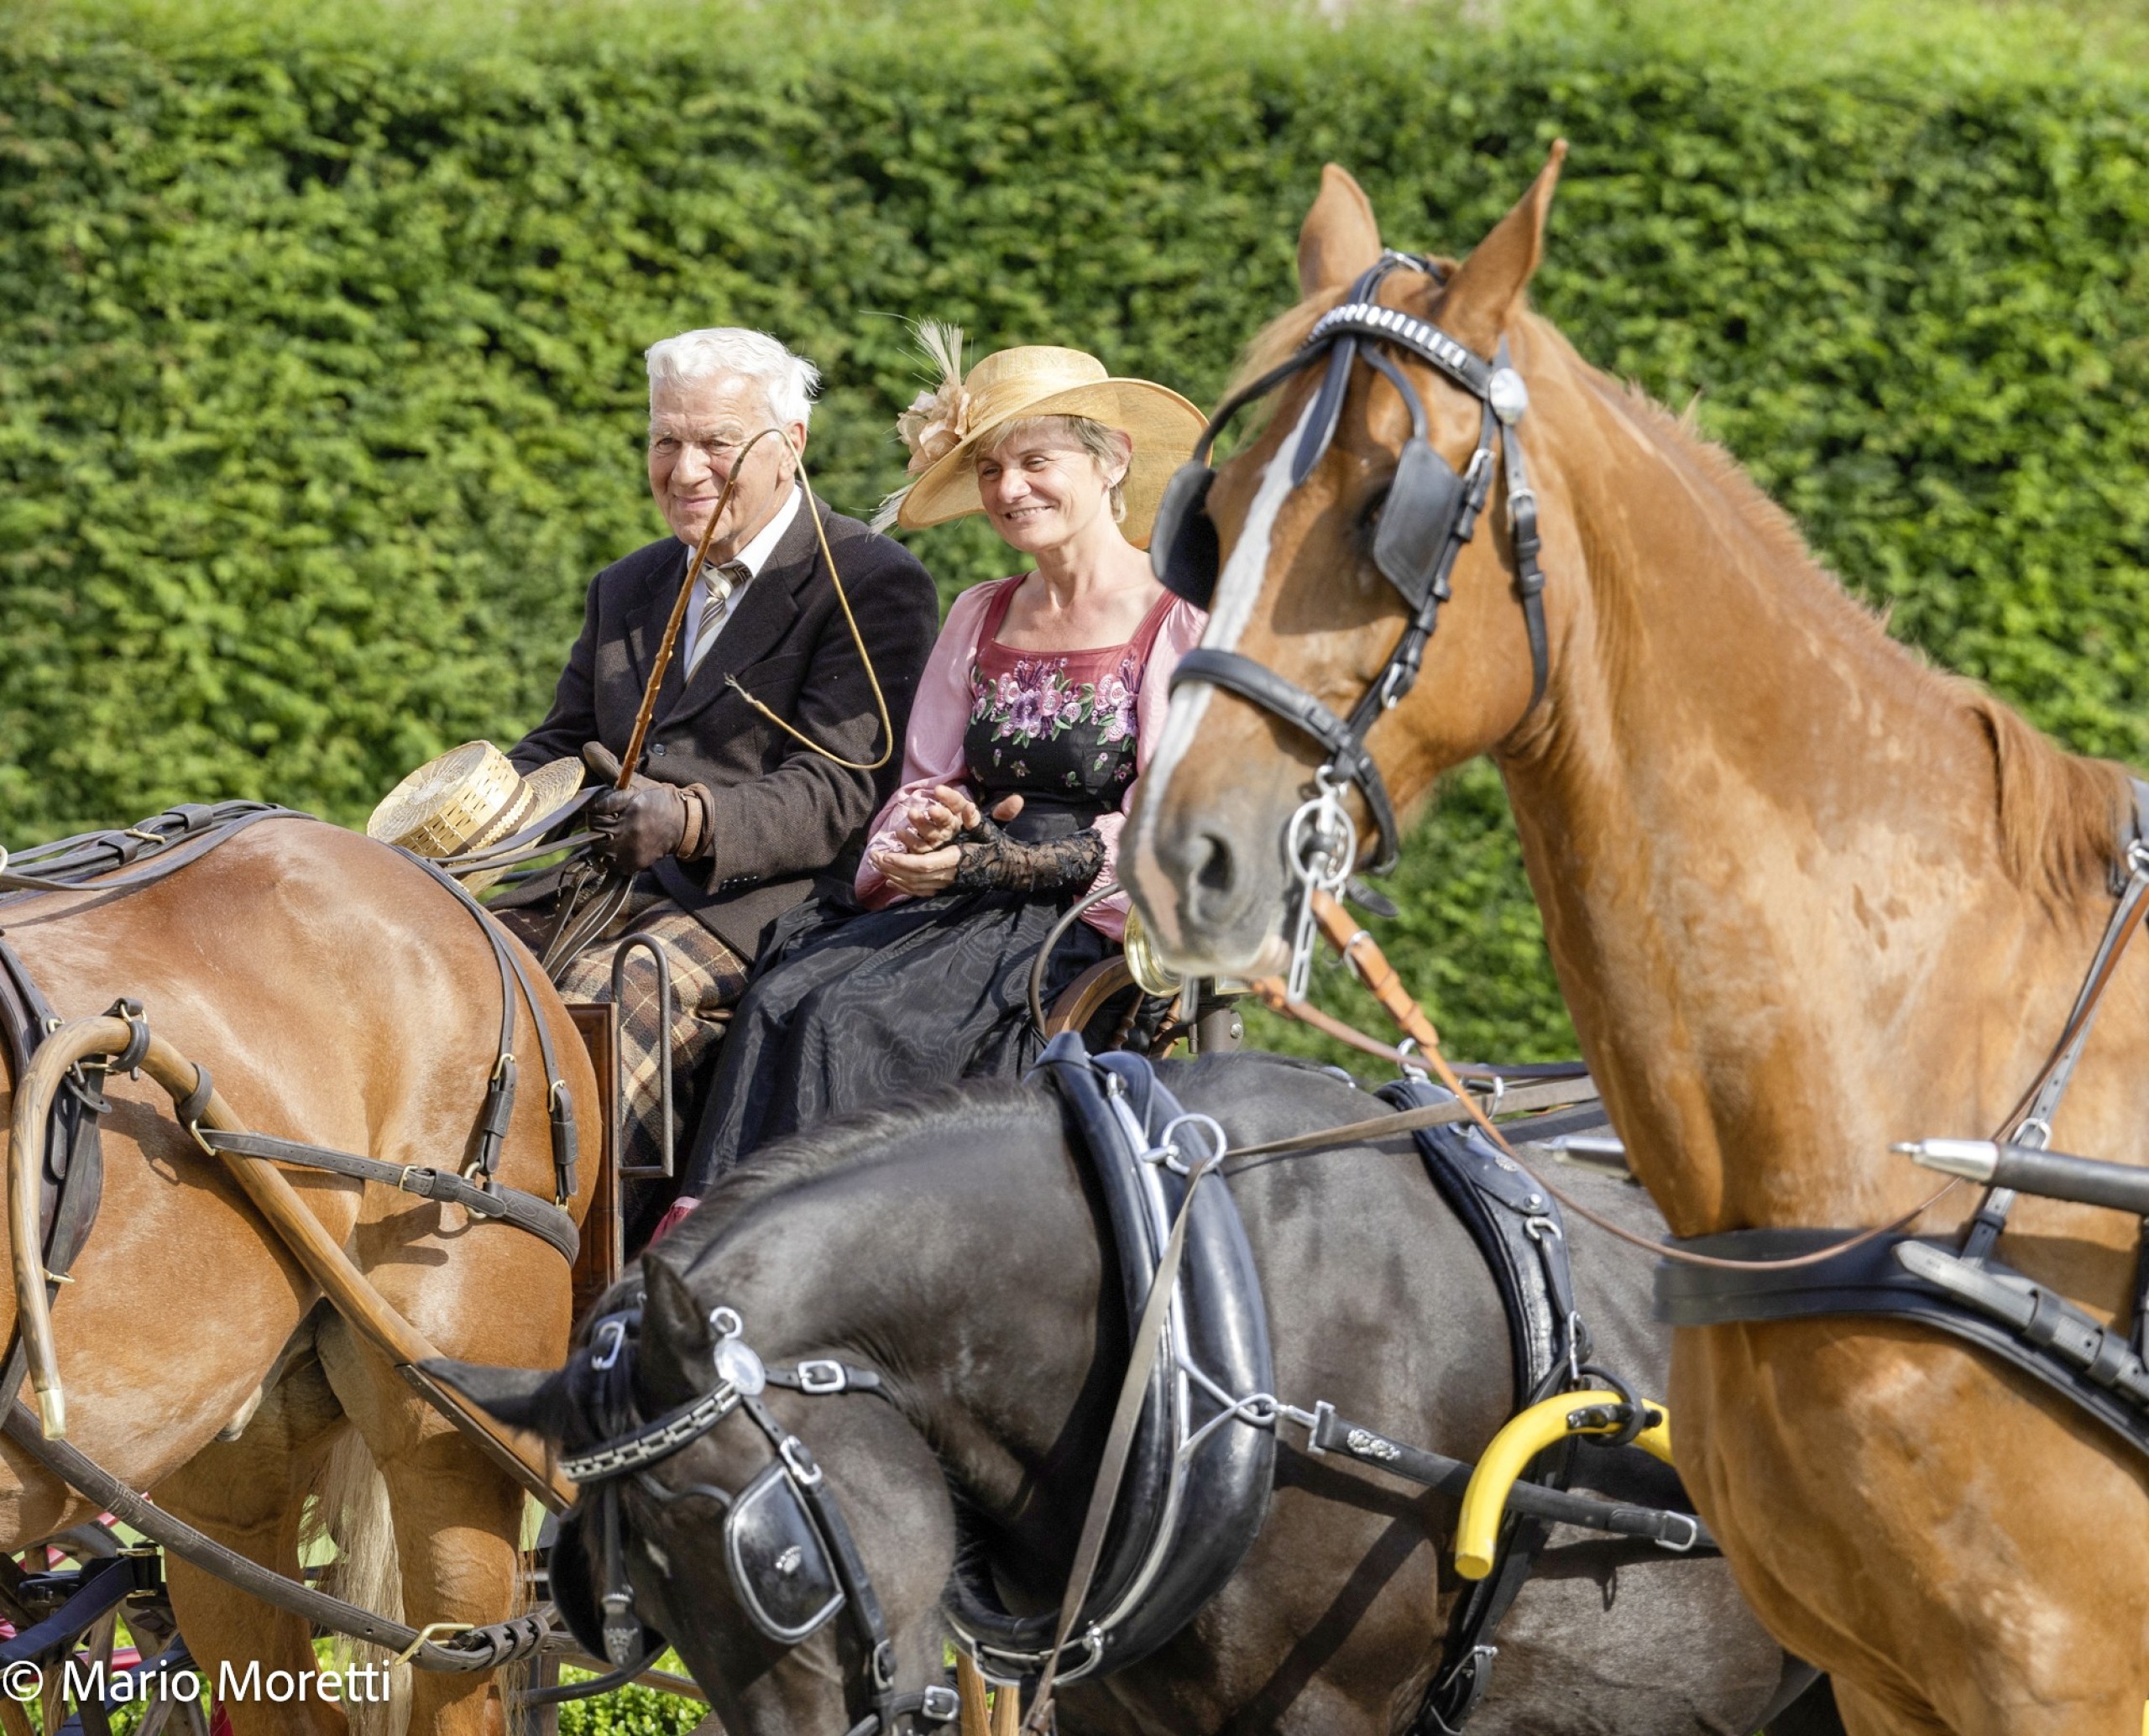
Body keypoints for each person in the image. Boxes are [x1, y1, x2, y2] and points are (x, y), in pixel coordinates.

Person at [667, 332, 1207, 1204]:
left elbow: (1171, 825)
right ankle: (728, 1257)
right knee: (783, 995)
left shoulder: (1173, 619)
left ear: (1113, 461)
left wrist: (1002, 862)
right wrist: (923, 826)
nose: (1009, 488)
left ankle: (831, 1268)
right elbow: (925, 778)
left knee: (849, 1019)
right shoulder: (979, 611)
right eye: (990, 469)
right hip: (958, 901)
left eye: (1036, 460)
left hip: (1086, 921)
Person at [493, 327, 939, 1237]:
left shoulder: (864, 581)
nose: (685, 468)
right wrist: (481, 805)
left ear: (792, 445)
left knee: (611, 995)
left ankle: (608, 1279)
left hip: (756, 902)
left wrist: (692, 821)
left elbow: (843, 790)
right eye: (666, 440)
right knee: (450, 962)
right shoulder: (628, 584)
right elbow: (564, 741)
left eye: (716, 443)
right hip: (596, 886)